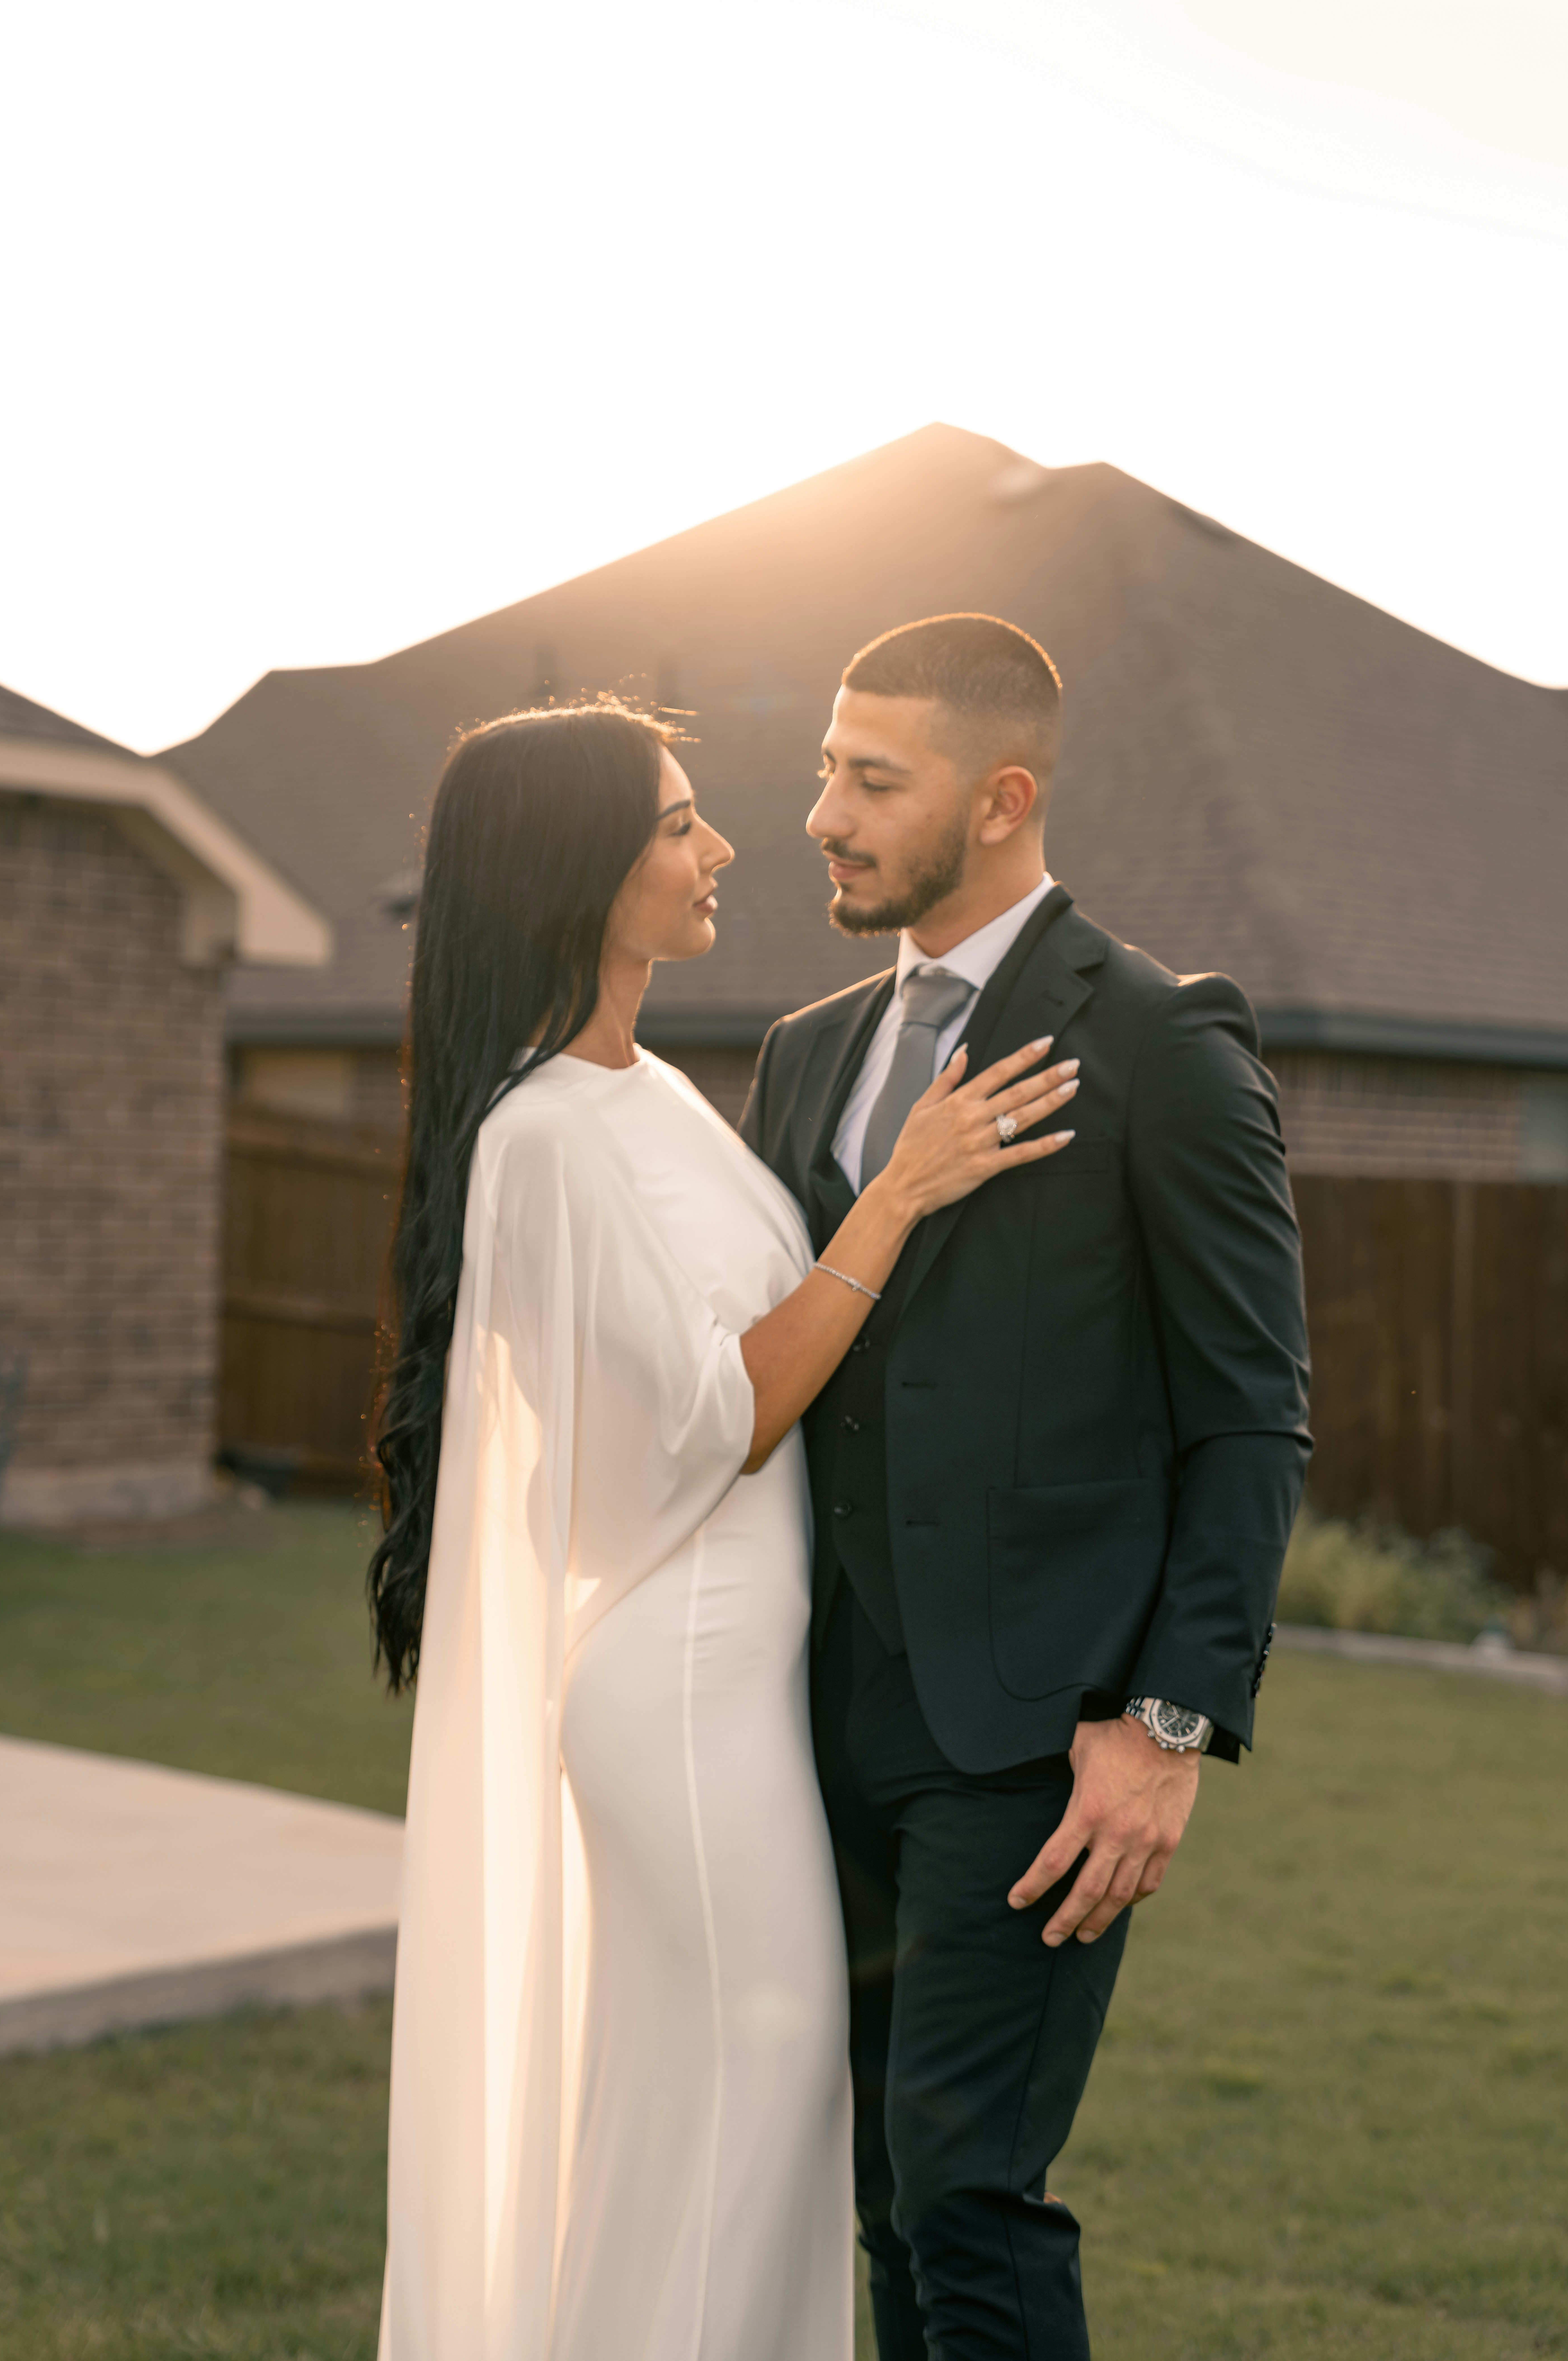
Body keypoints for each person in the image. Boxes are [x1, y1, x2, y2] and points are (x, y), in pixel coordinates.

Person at [367, 698, 1082, 2361]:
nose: (724, 849)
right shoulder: (546, 1135)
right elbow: (723, 1415)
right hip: (677, 1711)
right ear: (576, 867)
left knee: (720, 2138)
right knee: (738, 2134)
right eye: (679, 823)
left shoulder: (655, 1098)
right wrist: (900, 1192)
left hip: (741, 1700)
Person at [741, 613, 1312, 2360]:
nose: (822, 817)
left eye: (871, 782)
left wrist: (1168, 1723)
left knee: (967, 2197)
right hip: (812, 1724)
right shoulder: (804, 1052)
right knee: (876, 2195)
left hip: (1033, 1742)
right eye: (826, 772)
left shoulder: (1158, 1042)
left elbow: (1249, 1418)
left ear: (999, 800)